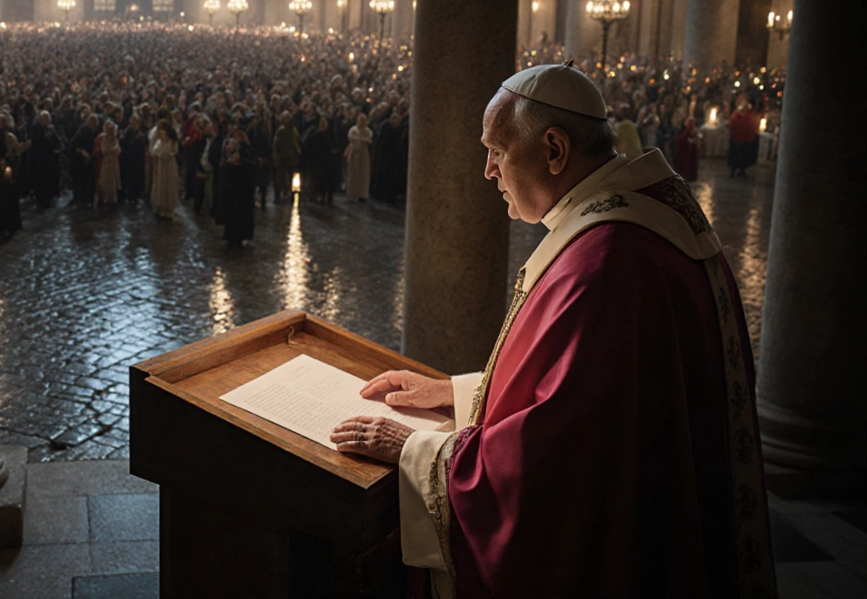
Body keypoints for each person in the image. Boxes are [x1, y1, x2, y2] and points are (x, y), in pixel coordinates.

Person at [331, 62, 774, 597]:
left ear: (556, 150)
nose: (489, 172)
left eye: (497, 152)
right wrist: (454, 394)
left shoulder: (607, 265)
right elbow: (587, 398)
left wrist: (414, 450)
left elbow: (554, 465)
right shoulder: (637, 219)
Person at [149, 119, 179, 219]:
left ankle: (168, 207)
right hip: (161, 165)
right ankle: (160, 205)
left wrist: (167, 155)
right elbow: (154, 150)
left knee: (168, 184)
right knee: (160, 184)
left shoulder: (172, 141)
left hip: (169, 165)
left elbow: (174, 151)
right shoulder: (159, 141)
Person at [727, 100, 760, 177]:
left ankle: (742, 170)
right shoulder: (736, 116)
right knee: (735, 156)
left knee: (744, 156)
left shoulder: (749, 116)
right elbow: (732, 125)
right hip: (736, 139)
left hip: (745, 140)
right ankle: (733, 170)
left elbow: (751, 126)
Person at [273, 111, 300, 203]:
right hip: (283, 157)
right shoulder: (280, 131)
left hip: (291, 157)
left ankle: (292, 193)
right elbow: (276, 145)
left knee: (292, 176)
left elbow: (296, 142)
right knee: (280, 177)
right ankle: (278, 195)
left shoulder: (293, 130)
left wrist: (297, 154)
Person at [345, 112, 372, 202]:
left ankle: (362, 194)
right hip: (355, 152)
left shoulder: (367, 130)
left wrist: (363, 140)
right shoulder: (353, 130)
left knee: (363, 173)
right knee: (353, 173)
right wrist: (362, 139)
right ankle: (352, 194)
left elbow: (369, 139)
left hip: (364, 153)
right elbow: (352, 138)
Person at [97, 120, 122, 206]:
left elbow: (118, 151)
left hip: (114, 161)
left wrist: (113, 151)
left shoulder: (115, 138)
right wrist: (112, 151)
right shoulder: (104, 138)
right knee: (106, 179)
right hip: (106, 161)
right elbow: (104, 151)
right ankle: (105, 198)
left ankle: (113, 198)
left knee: (113, 179)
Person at [673, 116, 701, 182]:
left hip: (691, 152)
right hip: (684, 152)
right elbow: (681, 140)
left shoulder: (693, 130)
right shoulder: (682, 132)